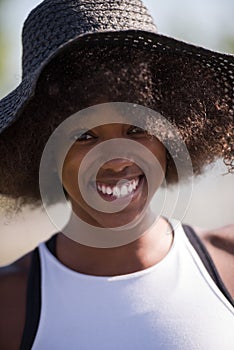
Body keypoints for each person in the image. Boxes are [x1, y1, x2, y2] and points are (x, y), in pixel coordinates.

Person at [0, 0, 233, 349]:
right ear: (43, 152)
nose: (117, 159)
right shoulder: (10, 306)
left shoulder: (228, 264)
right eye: (84, 136)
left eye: (137, 129)